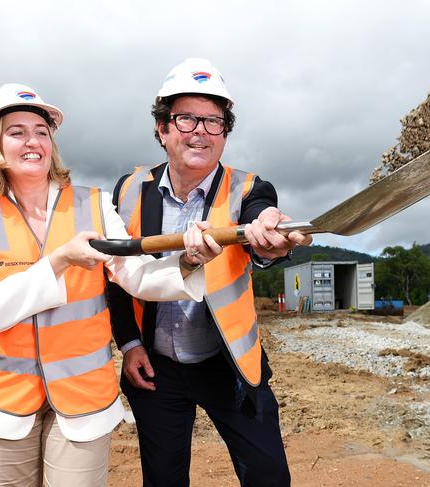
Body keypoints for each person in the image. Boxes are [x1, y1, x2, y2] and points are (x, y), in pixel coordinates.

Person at [0, 82, 222, 486]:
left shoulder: (93, 205)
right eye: (17, 132)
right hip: (4, 404)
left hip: (83, 403)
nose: (33, 141)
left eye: (41, 132)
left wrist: (186, 262)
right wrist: (60, 260)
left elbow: (135, 276)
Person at [108, 58, 312, 487]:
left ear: (225, 134)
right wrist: (128, 344)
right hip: (155, 367)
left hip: (228, 365)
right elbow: (115, 279)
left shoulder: (250, 189)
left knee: (268, 475)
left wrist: (270, 241)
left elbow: (263, 229)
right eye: (186, 119)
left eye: (214, 121)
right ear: (162, 129)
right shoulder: (129, 190)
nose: (200, 130)